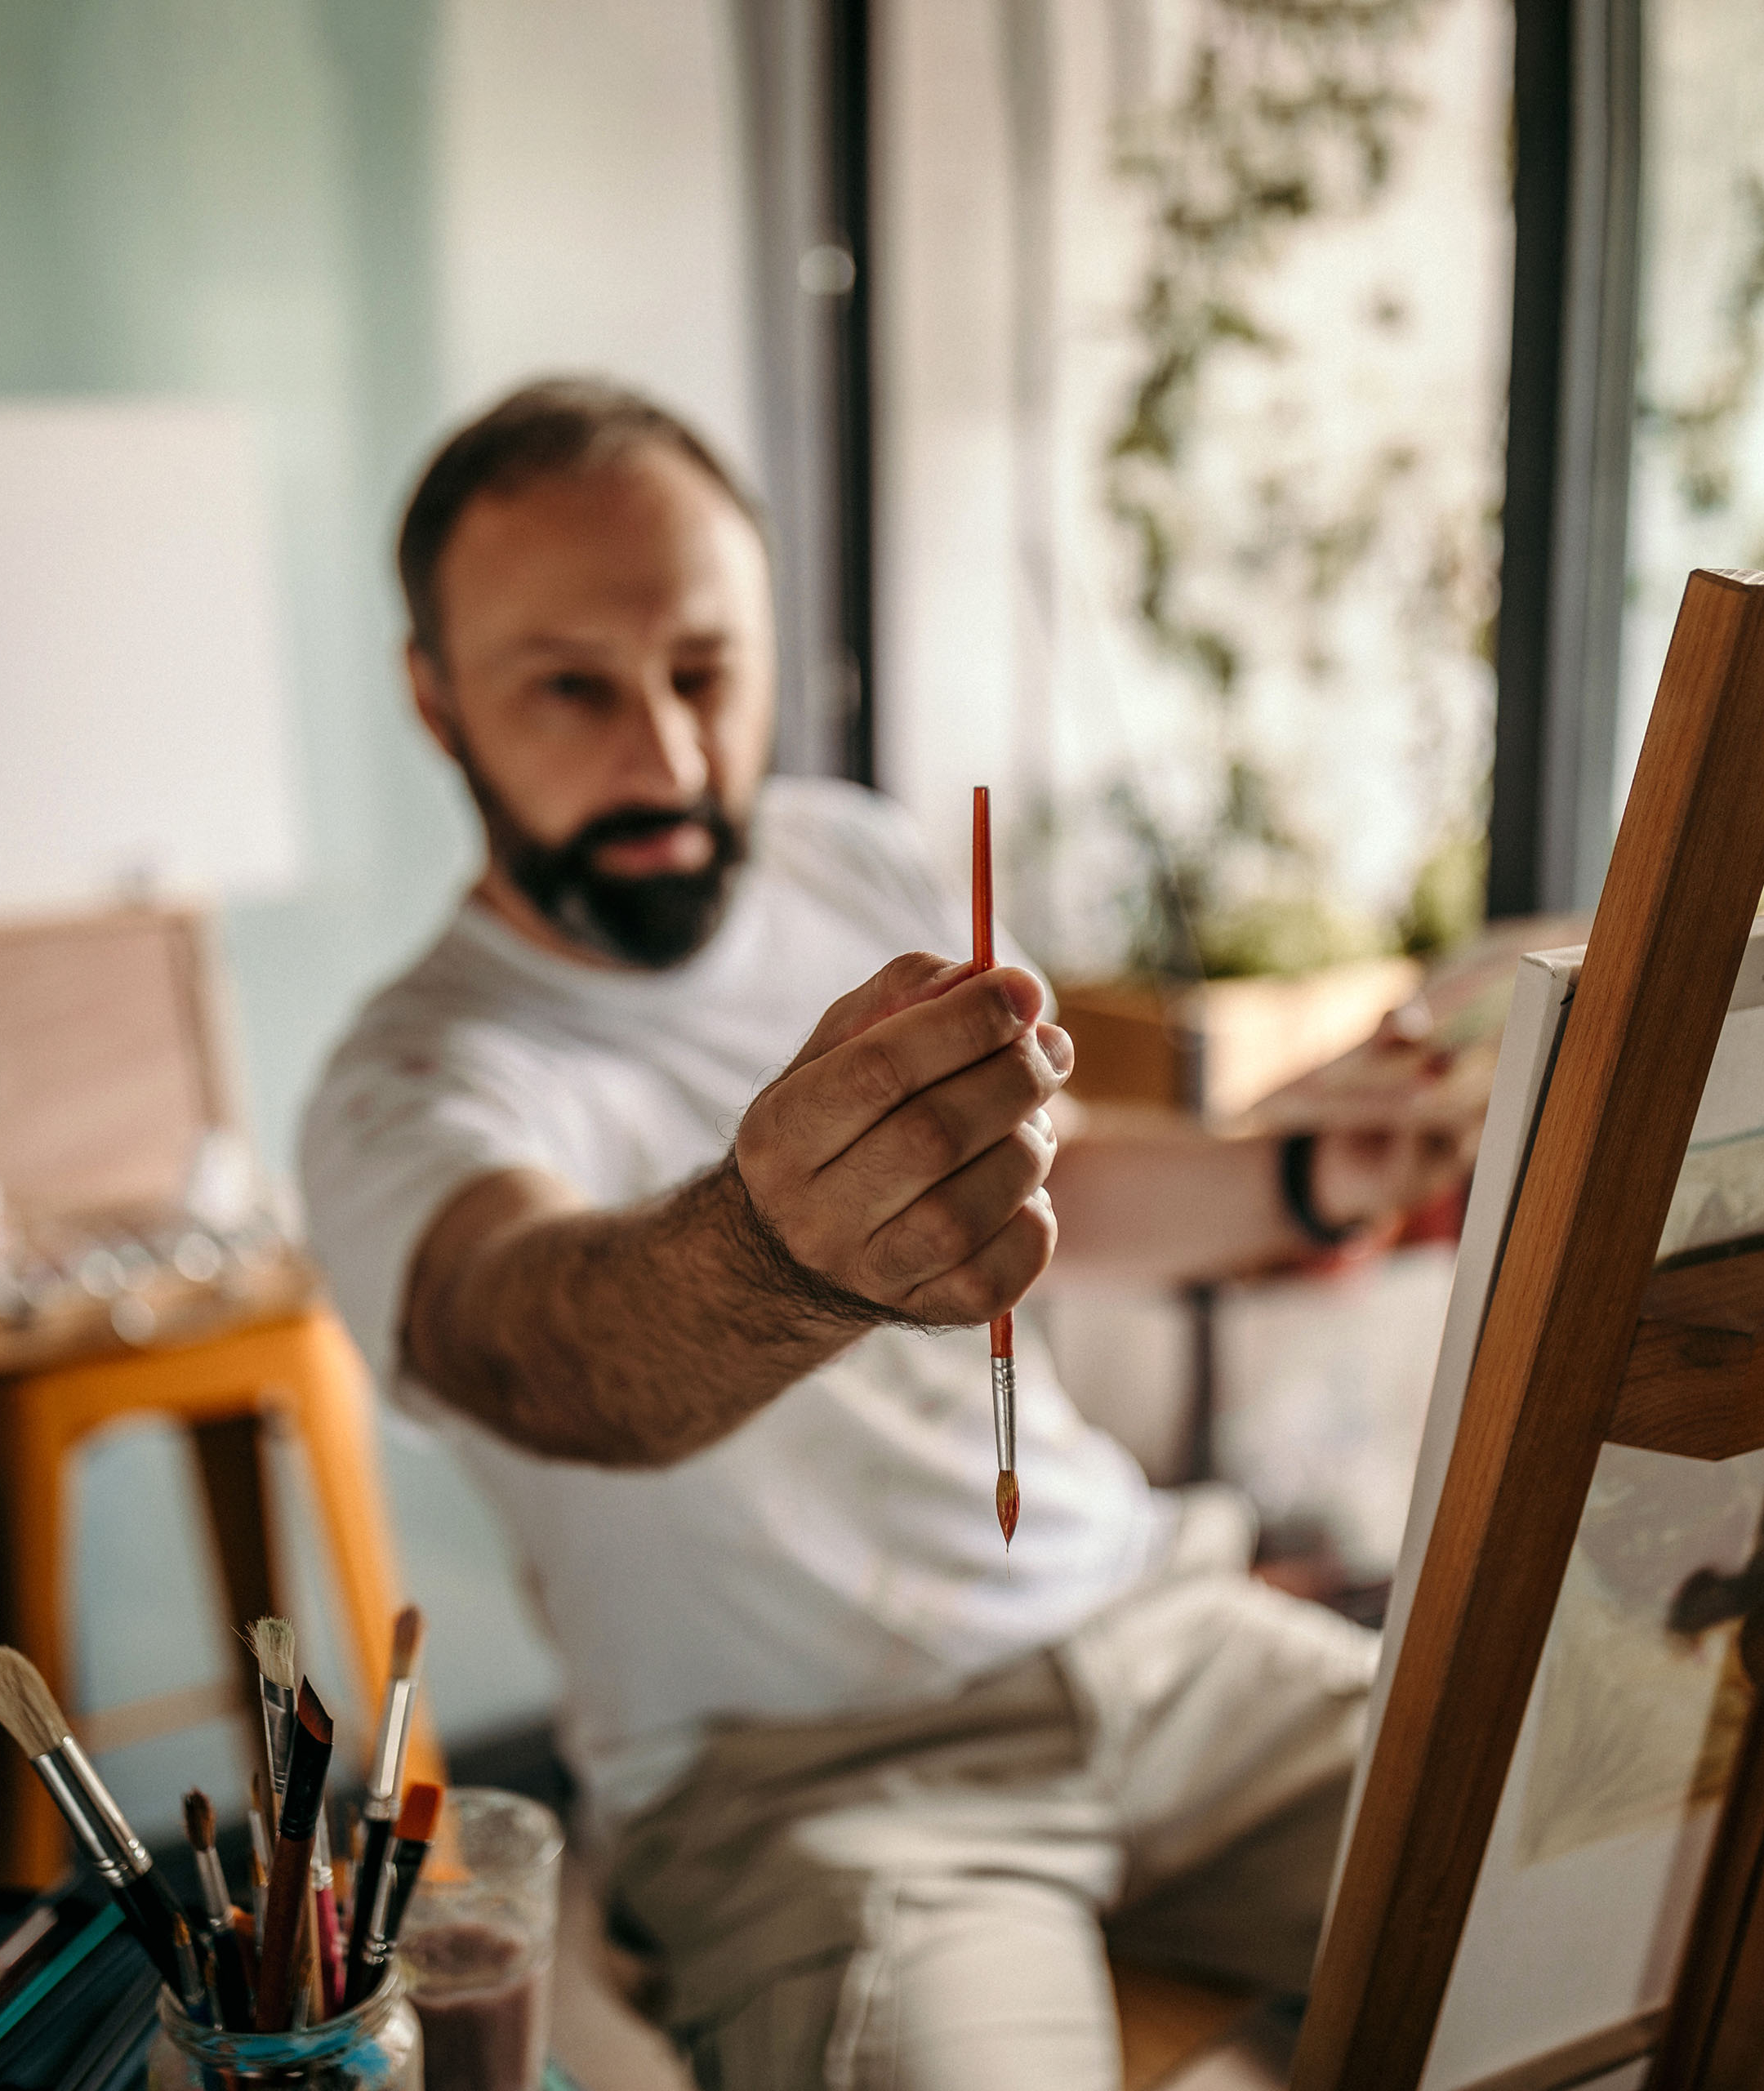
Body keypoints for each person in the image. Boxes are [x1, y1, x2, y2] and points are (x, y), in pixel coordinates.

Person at [300, 378, 1477, 2088]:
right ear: (435, 698)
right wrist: (781, 1253)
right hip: (813, 1786)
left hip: (1157, 1634)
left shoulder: (847, 857)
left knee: (1643, 1878)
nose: (672, 756)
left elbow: (1038, 1172)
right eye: (570, 688)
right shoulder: (404, 1085)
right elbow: (542, 1343)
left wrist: (1301, 1178)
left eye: (706, 670)